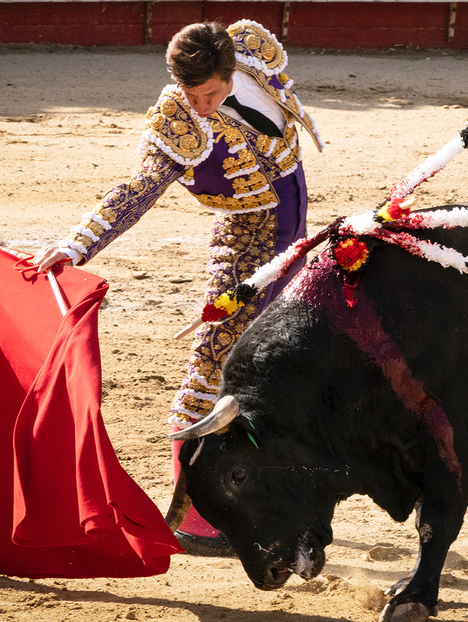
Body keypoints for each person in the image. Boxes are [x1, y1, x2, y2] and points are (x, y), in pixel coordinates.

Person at [32, 20, 323, 556]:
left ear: (232, 71)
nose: (200, 104)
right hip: (246, 243)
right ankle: (199, 516)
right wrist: (76, 245)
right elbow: (138, 189)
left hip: (294, 235)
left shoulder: (253, 57)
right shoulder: (180, 119)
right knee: (214, 361)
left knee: (285, 363)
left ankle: (276, 488)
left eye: (210, 92)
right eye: (190, 92)